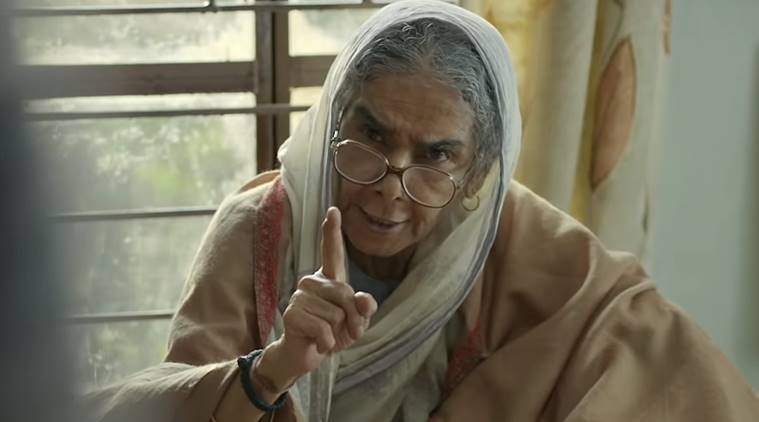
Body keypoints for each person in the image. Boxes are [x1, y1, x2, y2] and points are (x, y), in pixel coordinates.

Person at [82, 1, 759, 421]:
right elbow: (165, 407)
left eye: (435, 156)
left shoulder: (511, 238)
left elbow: (662, 362)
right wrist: (275, 367)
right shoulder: (257, 231)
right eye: (371, 137)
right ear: (333, 123)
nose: (389, 188)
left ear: (477, 173)